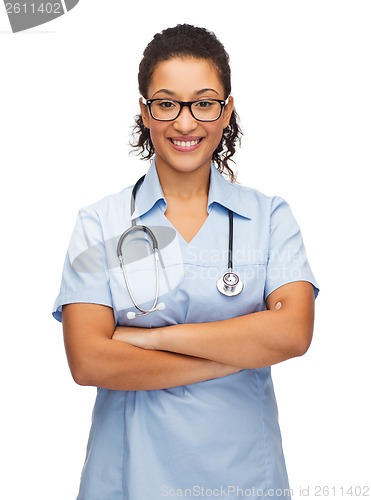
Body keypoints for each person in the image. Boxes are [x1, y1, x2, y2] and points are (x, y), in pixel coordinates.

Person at [53, 24, 319, 500]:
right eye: (166, 102)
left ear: (227, 109)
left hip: (243, 480)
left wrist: (153, 340)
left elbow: (293, 333)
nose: (185, 122)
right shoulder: (101, 223)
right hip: (131, 479)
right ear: (145, 111)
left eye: (204, 102)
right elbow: (89, 360)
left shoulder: (269, 216)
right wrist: (238, 352)